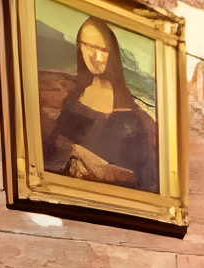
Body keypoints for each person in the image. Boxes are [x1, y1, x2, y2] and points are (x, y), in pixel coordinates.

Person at [42, 16, 158, 193]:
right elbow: (52, 156)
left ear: (113, 52)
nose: (95, 57)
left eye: (102, 49)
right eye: (87, 46)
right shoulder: (74, 101)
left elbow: (146, 177)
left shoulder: (132, 117)